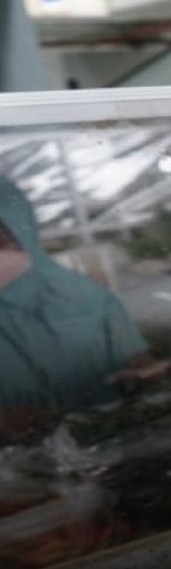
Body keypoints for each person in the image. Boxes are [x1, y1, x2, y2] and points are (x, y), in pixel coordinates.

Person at [0, 180, 159, 439]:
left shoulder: (90, 300)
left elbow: (142, 368)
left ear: (25, 234)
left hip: (109, 443)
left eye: (1, 240)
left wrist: (139, 380)